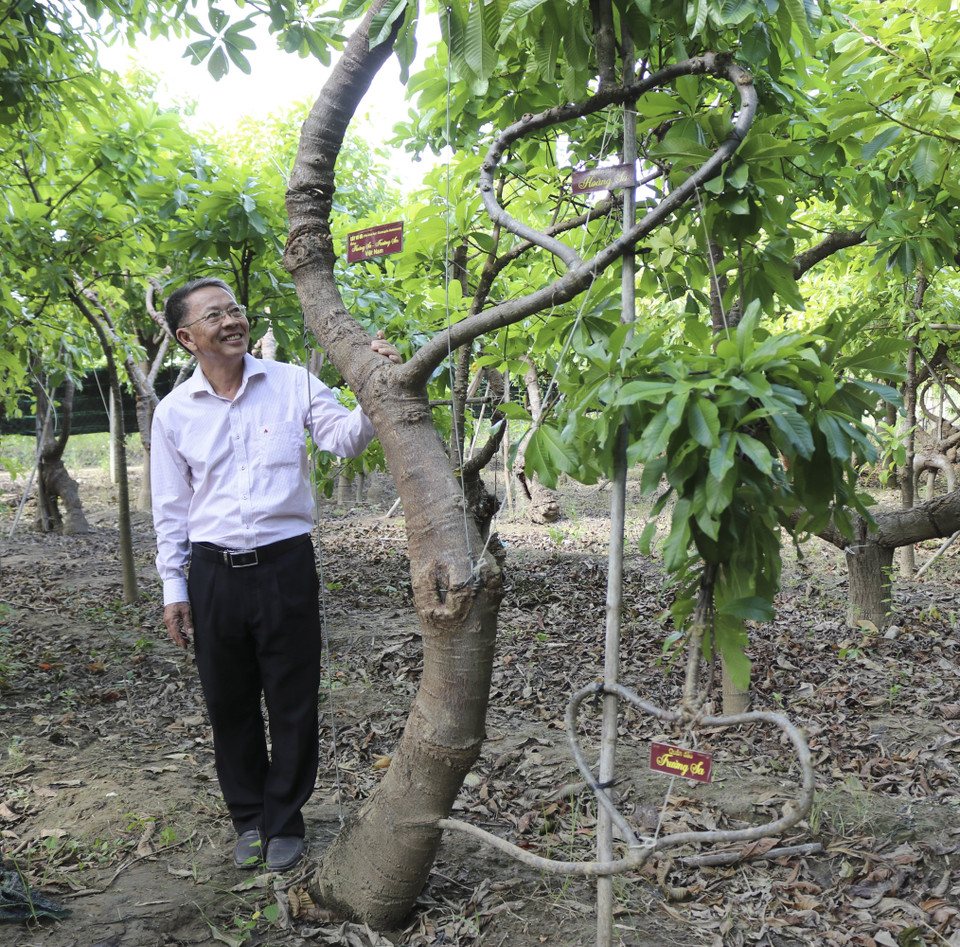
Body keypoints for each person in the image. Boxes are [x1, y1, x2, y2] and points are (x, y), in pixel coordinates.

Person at [151, 277, 400, 872]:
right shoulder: (173, 413)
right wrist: (174, 587)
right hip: (214, 573)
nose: (232, 321)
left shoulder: (290, 382)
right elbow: (171, 509)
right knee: (228, 701)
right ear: (187, 338)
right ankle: (249, 818)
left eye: (234, 310)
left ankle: (285, 818)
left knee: (292, 698)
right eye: (215, 316)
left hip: (286, 563)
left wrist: (375, 385)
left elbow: (343, 438)